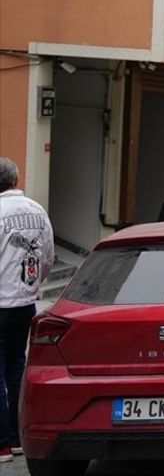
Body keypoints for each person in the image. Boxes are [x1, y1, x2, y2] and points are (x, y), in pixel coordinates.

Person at [0, 156, 55, 462]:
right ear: (16, 179)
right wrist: (32, 287)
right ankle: (18, 436)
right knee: (16, 365)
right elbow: (48, 257)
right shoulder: (37, 210)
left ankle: (2, 444)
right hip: (25, 300)